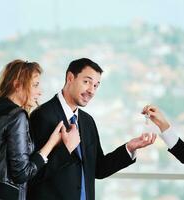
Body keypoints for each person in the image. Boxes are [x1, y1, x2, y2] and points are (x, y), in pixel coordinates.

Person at [27, 58, 156, 200]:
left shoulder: (87, 122)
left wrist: (130, 148)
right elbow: (32, 174)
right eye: (86, 82)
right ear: (70, 78)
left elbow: (99, 169)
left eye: (96, 85)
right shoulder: (42, 116)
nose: (91, 90)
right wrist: (66, 149)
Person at [0, 60, 80, 200]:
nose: (39, 92)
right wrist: (52, 143)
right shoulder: (17, 116)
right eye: (35, 85)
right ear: (17, 85)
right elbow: (22, 173)